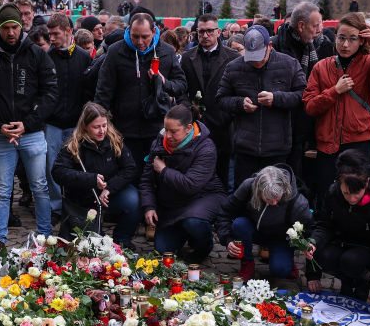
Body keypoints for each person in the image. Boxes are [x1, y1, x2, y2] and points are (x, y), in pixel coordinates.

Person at [0, 3, 58, 249]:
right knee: (2, 190)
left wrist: (27, 124)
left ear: (21, 27)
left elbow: (49, 92)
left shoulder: (36, 54)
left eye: (14, 27)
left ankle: (45, 236)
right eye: (5, 28)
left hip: (31, 132)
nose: (10, 33)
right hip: (0, 134)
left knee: (39, 186)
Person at [303, 12, 370, 200]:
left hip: (357, 144)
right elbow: (310, 107)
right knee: (327, 197)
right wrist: (334, 91)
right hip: (327, 145)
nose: (345, 45)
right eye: (341, 38)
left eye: (352, 39)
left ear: (362, 40)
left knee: (356, 197)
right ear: (335, 37)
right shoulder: (321, 67)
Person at [95, 12, 188, 187]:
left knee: (156, 180)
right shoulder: (116, 52)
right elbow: (103, 93)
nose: (140, 41)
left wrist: (163, 82)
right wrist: (100, 125)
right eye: (135, 36)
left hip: (157, 130)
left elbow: (181, 85)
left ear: (153, 32)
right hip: (124, 131)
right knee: (130, 179)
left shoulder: (166, 51)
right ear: (129, 30)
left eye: (144, 37)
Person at [305, 149, 370, 316]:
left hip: (366, 248)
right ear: (340, 183)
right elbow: (324, 225)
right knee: (324, 255)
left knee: (351, 261)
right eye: (346, 193)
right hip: (341, 241)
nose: (352, 199)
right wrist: (313, 245)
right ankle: (347, 280)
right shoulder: (333, 192)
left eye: (357, 193)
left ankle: (362, 279)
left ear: (367, 183)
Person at [218, 24, 307, 188]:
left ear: (270, 46)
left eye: (260, 56)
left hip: (277, 148)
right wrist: (239, 103)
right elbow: (222, 99)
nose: (256, 62)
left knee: (274, 197)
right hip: (245, 148)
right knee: (244, 196)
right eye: (252, 57)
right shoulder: (234, 67)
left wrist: (277, 99)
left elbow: (303, 96)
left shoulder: (289, 64)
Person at [140, 104, 226, 262]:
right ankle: (183, 233)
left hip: (202, 197)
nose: (168, 135)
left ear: (188, 128)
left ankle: (203, 247)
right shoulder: (160, 142)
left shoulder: (206, 148)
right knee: (162, 251)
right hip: (171, 205)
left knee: (193, 222)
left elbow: (190, 185)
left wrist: (164, 171)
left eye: (173, 131)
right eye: (166, 129)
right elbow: (146, 180)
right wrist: (149, 206)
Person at [51, 102, 140, 246]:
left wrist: (109, 188)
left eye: (104, 125)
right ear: (85, 126)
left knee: (134, 200)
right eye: (96, 127)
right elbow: (58, 172)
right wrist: (91, 179)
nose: (102, 131)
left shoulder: (114, 140)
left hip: (110, 193)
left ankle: (122, 239)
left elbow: (130, 168)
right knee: (88, 245)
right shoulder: (73, 145)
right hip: (84, 198)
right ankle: (98, 235)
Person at [216, 165, 312, 281]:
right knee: (239, 224)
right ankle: (247, 263)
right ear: (258, 191)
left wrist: (312, 275)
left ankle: (287, 258)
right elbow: (224, 212)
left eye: (278, 199)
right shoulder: (248, 186)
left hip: (281, 238)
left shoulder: (298, 203)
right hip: (255, 229)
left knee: (280, 270)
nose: (274, 203)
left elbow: (311, 233)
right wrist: (227, 239)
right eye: (269, 199)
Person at [272, 2, 335, 178]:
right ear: (301, 26)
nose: (319, 30)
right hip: (281, 125)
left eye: (321, 25)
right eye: (315, 26)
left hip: (309, 124)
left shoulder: (322, 46)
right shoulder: (275, 47)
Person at [180, 14, 240, 191]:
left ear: (218, 32)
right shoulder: (187, 57)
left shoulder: (233, 57)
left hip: (223, 124)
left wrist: (228, 114)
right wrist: (188, 109)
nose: (205, 35)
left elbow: (237, 90)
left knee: (222, 175)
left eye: (209, 31)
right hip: (195, 124)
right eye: (201, 32)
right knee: (197, 172)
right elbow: (182, 89)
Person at [45, 13, 93, 220]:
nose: (52, 38)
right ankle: (56, 207)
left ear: (68, 31)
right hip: (53, 123)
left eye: (55, 34)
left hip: (76, 123)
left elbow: (88, 91)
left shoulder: (84, 57)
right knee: (51, 166)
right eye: (50, 34)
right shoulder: (47, 57)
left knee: (77, 165)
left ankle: (76, 205)